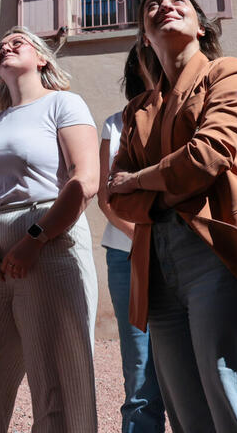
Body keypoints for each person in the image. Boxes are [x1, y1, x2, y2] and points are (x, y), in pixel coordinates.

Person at [107, 0, 237, 433]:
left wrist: (142, 179)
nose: (165, 7)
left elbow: (207, 156)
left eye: (177, 1)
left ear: (200, 26)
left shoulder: (230, 73)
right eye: (152, 6)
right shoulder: (136, 110)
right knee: (186, 414)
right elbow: (117, 197)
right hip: (156, 262)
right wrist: (164, 183)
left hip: (222, 248)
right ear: (144, 35)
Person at [0, 27, 100, 433]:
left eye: (17, 41)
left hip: (49, 239)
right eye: (0, 45)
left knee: (61, 380)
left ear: (42, 58)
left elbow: (86, 180)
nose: (5, 47)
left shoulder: (64, 104)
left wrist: (35, 238)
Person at [97, 46, 165, 433]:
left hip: (183, 252)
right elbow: (108, 199)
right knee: (139, 364)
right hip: (127, 255)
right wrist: (146, 238)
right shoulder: (114, 123)